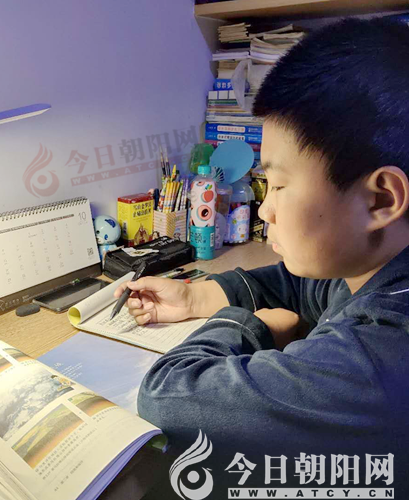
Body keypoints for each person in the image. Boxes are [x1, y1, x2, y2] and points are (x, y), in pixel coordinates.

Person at [115, 17, 409, 492]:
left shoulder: (377, 359)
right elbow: (305, 286)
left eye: (279, 185)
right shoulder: (381, 272)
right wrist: (194, 298)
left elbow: (169, 396)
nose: (266, 209)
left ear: (380, 199)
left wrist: (246, 326)